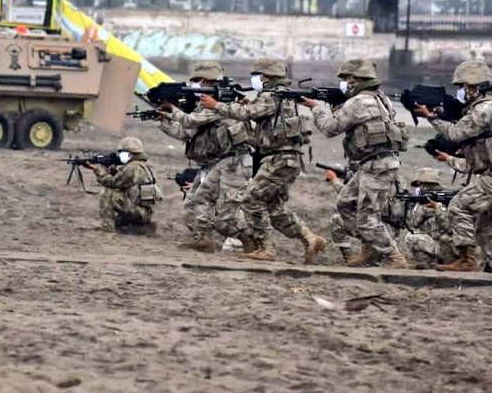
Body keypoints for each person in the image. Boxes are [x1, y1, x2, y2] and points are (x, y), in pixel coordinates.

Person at [198, 58, 326, 263]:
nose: (254, 79)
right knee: (275, 209)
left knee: (251, 199)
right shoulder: (283, 96)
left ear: (266, 77)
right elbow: (260, 114)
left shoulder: (271, 95)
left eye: (257, 75)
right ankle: (310, 239)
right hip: (285, 159)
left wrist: (216, 105)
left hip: (278, 158)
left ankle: (267, 248)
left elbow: (245, 113)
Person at [414, 60, 492, 273]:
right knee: (487, 222)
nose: (462, 92)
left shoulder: (486, 108)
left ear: (475, 87)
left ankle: (467, 260)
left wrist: (431, 117)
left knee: (458, 206)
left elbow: (456, 134)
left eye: (464, 87)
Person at [303, 58, 409, 268]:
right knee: (345, 203)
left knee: (366, 219)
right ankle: (370, 247)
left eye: (347, 79)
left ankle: (395, 257)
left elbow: (330, 128)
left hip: (377, 167)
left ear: (357, 80)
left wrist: (315, 108)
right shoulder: (379, 98)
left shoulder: (358, 102)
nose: (344, 83)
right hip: (372, 164)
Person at [156, 61, 252, 252]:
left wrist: (172, 109)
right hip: (214, 162)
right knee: (195, 202)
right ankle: (203, 238)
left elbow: (190, 121)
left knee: (227, 210)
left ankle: (249, 240)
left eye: (199, 81)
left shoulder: (221, 102)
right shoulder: (205, 104)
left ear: (209, 80)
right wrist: (164, 121)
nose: (195, 85)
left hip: (233, 162)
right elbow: (186, 133)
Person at [86, 137, 163, 235]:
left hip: (139, 212)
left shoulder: (132, 168)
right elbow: (127, 183)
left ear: (130, 154)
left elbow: (112, 183)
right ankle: (135, 228)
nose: (120, 155)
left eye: (122, 152)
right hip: (146, 211)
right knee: (119, 201)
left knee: (107, 194)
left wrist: (98, 171)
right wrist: (114, 172)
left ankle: (107, 229)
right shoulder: (145, 166)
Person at [401, 167, 457, 269]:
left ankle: (431, 264)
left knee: (411, 238)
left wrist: (435, 208)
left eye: (422, 185)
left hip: (448, 246)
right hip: (439, 244)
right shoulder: (437, 199)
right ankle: (430, 263)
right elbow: (413, 224)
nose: (420, 188)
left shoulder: (444, 200)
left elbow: (447, 227)